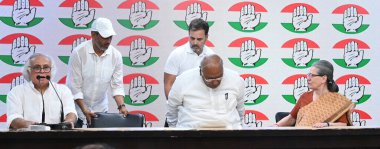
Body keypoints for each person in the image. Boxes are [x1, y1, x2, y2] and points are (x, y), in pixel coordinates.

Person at [66, 17, 127, 128]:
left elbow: (117, 86)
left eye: (110, 37)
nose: (108, 41)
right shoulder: (79, 53)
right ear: (93, 35)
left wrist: (121, 106)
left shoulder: (116, 55)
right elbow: (74, 87)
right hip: (76, 111)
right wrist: (85, 110)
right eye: (105, 37)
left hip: (101, 111)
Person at [166, 54, 245, 128]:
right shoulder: (183, 80)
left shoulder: (235, 79)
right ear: (201, 72)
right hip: (191, 135)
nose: (215, 82)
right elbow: (172, 108)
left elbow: (240, 109)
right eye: (209, 79)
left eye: (219, 77)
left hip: (229, 133)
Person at [274, 60, 354, 128]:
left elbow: (343, 124)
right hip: (299, 139)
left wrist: (326, 125)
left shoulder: (338, 101)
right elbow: (291, 118)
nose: (308, 78)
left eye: (312, 75)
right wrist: (276, 126)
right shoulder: (305, 96)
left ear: (323, 78)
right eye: (308, 74)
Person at [7, 53, 77, 129]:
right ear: (29, 71)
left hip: (57, 137)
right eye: (37, 68)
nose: (42, 71)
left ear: (51, 70)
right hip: (27, 138)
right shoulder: (16, 92)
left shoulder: (63, 90)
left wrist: (68, 123)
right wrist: (33, 126)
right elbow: (13, 118)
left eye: (46, 67)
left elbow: (71, 113)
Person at [164, 18, 215, 99]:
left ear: (206, 37)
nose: (195, 42)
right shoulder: (176, 54)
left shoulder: (211, 56)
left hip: (204, 105)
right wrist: (174, 107)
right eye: (192, 38)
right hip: (181, 105)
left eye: (199, 39)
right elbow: (168, 84)